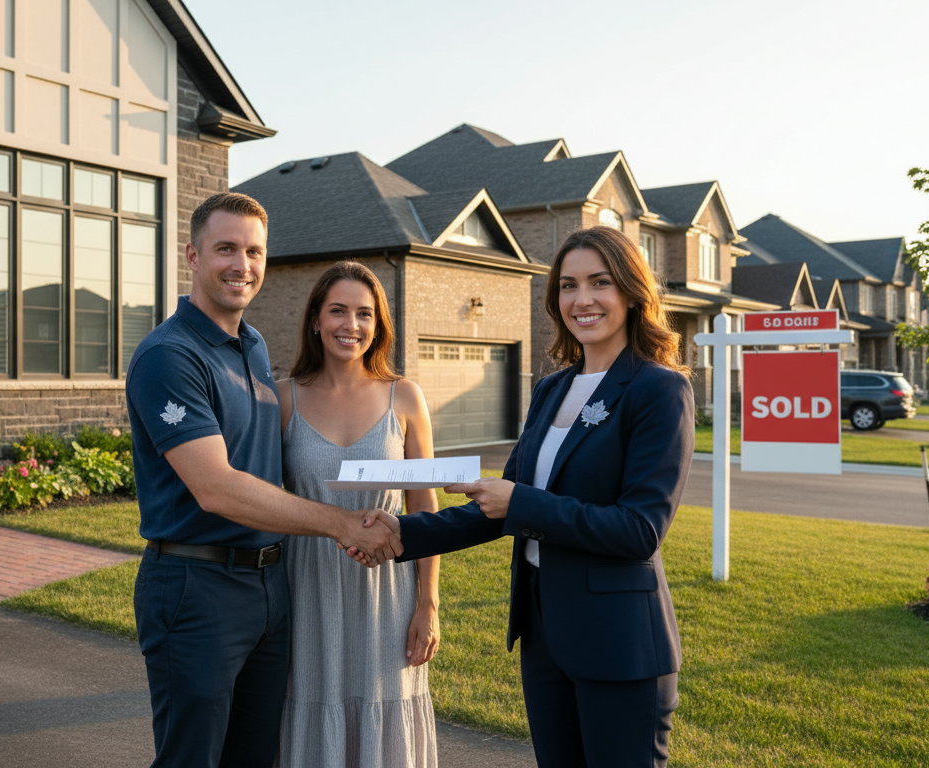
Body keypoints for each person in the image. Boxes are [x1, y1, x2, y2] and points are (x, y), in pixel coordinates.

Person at [354, 226, 694, 767]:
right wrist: (403, 534)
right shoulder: (551, 388)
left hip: (619, 645)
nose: (582, 300)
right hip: (544, 636)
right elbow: (500, 509)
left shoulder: (658, 389)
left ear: (632, 292)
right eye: (568, 285)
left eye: (599, 282)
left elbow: (639, 531)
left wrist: (519, 503)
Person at [126, 193, 403, 768]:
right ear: (192, 255)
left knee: (256, 757)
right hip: (196, 585)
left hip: (270, 588)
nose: (241, 265)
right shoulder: (169, 358)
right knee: (192, 758)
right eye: (225, 248)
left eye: (254, 251)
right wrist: (341, 523)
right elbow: (216, 487)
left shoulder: (250, 347)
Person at [275, 261, 441, 768]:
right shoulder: (283, 399)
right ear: (315, 321)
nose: (352, 325)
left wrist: (427, 604)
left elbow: (425, 506)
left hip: (388, 598)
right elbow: (266, 499)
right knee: (310, 706)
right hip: (307, 589)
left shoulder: (405, 397)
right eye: (338, 311)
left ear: (379, 324)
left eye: (364, 313)